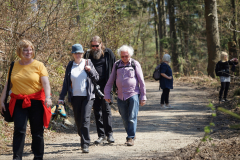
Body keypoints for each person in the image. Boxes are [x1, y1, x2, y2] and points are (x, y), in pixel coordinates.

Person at [0, 39, 52, 160]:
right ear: (19, 51)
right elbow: (8, 84)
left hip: (36, 102)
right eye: (25, 50)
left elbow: (46, 83)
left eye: (30, 49)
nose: (28, 52)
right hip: (19, 102)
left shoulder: (39, 65)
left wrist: (48, 97)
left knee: (37, 132)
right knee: (19, 130)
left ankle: (38, 157)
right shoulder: (13, 65)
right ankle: (17, 157)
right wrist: (1, 101)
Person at [58, 44, 99, 153]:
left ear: (82, 53)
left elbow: (96, 78)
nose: (78, 55)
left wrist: (90, 70)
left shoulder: (88, 62)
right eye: (76, 53)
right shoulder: (70, 65)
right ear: (73, 54)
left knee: (85, 119)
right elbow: (66, 83)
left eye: (80, 53)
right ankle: (82, 134)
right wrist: (61, 97)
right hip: (75, 97)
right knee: (78, 121)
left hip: (87, 96)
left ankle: (85, 144)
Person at [104, 45, 146, 146]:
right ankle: (132, 133)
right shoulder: (117, 64)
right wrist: (107, 93)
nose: (124, 58)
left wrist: (143, 96)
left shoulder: (135, 64)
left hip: (133, 94)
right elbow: (111, 80)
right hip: (120, 95)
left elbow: (141, 81)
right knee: (124, 117)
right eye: (122, 56)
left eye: (126, 56)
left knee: (132, 117)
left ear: (130, 55)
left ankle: (130, 137)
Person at [84, 36, 115, 144]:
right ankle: (101, 135)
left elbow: (114, 68)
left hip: (106, 85)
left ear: (101, 44)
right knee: (97, 111)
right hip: (93, 86)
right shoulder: (87, 55)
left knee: (106, 109)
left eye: (97, 45)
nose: (95, 48)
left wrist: (114, 86)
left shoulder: (108, 53)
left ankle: (109, 134)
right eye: (92, 46)